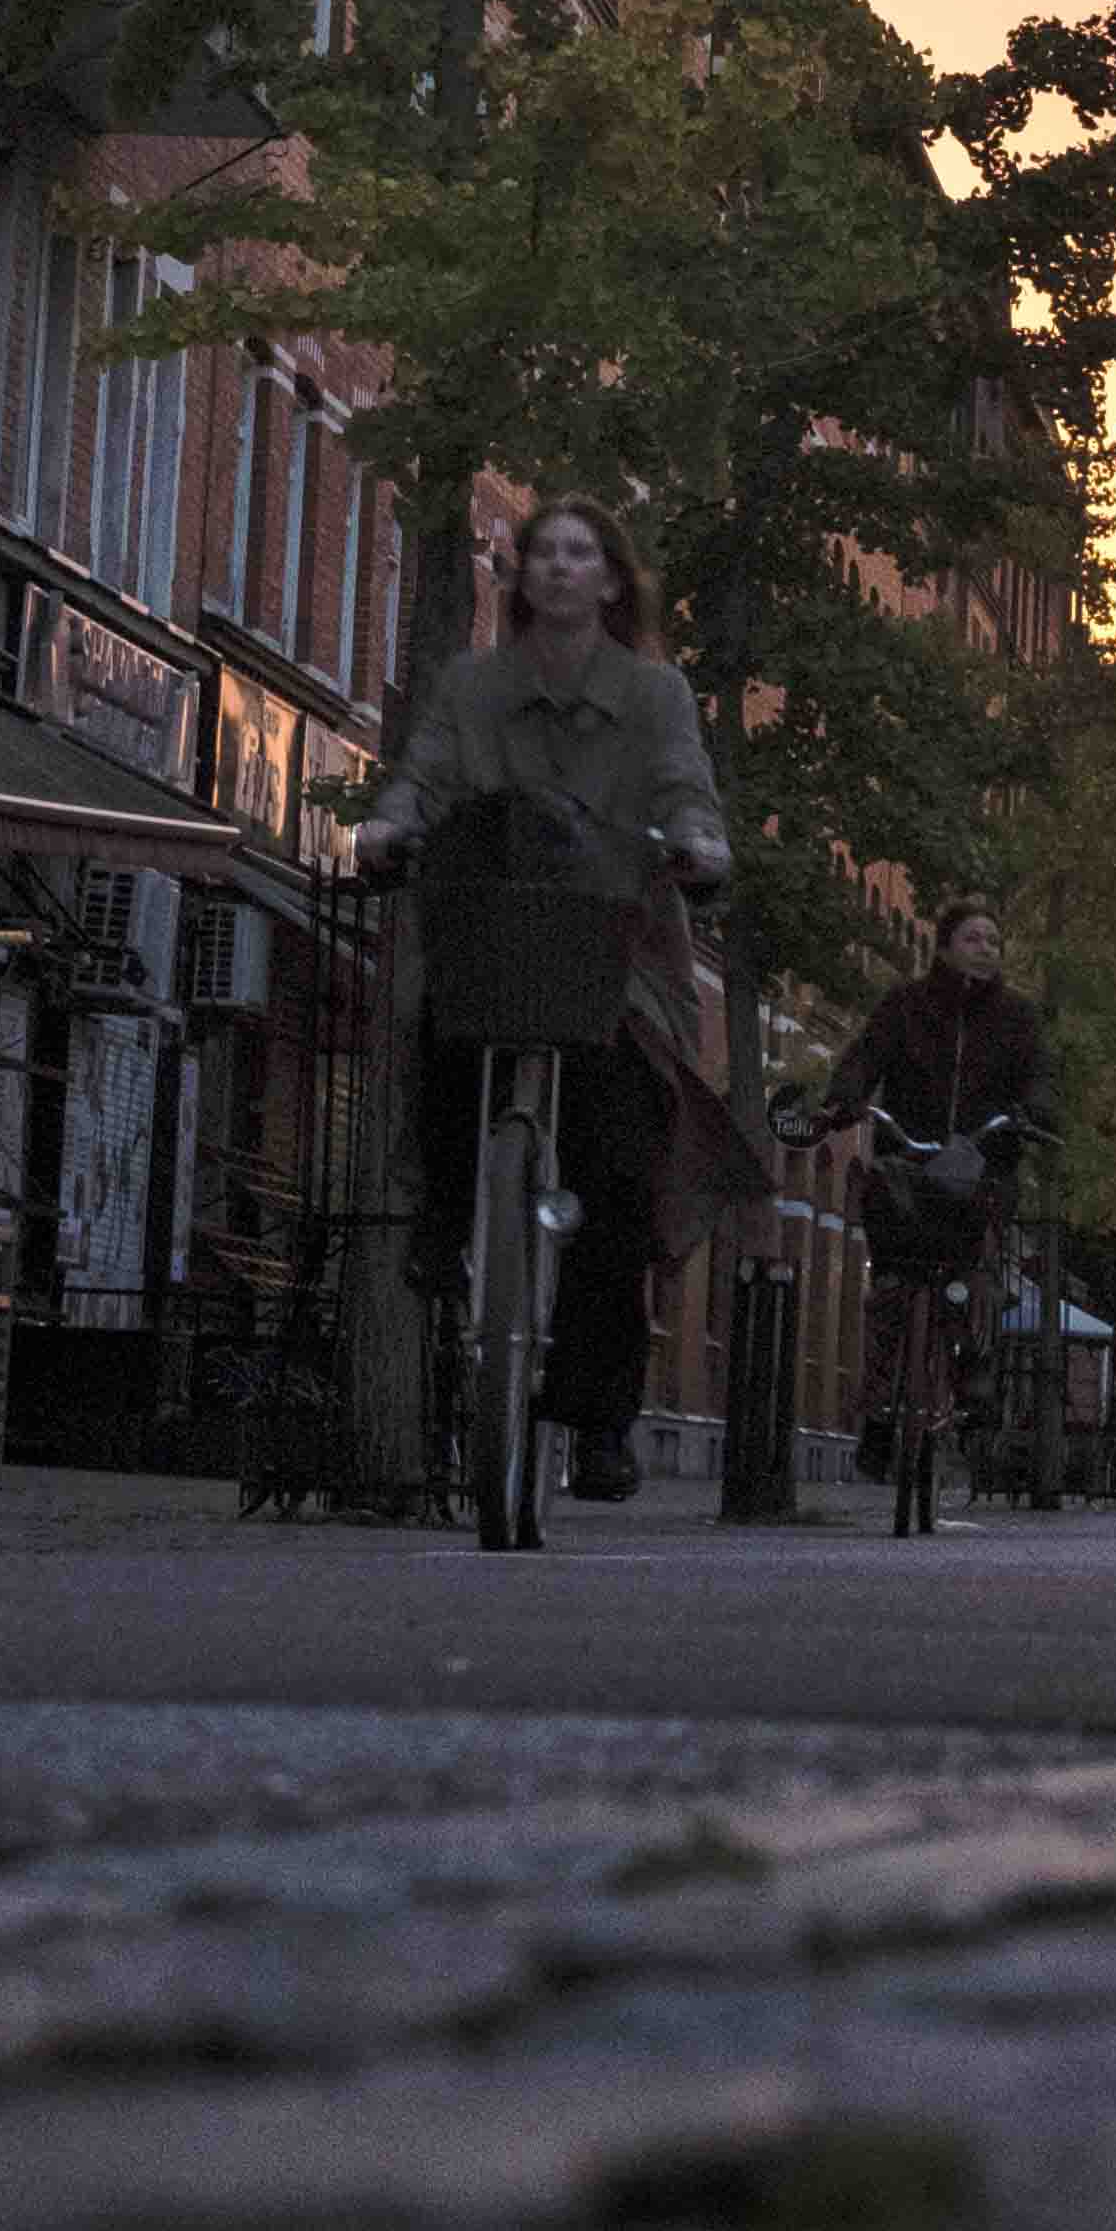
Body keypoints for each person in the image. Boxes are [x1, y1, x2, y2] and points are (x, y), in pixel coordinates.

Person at [350, 500, 734, 1503]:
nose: (560, 570)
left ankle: (601, 1416)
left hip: (619, 949)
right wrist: (389, 825)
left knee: (617, 1158)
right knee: (443, 1033)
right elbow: (424, 772)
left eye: (582, 554)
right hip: (497, 926)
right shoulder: (476, 685)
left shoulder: (655, 693)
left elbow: (685, 786)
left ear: (613, 580)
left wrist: (699, 843)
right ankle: (441, 1218)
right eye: (543, 554)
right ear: (520, 578)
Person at [808, 896, 1043, 1454]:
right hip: (906, 1163)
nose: (986, 949)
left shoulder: (1017, 1018)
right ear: (943, 948)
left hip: (980, 1165)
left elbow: (1039, 1075)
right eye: (973, 938)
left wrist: (1034, 1112)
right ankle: (879, 1411)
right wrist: (847, 1096)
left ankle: (974, 1370)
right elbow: (867, 1057)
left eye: (993, 941)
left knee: (972, 1267)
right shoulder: (904, 1006)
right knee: (890, 1281)